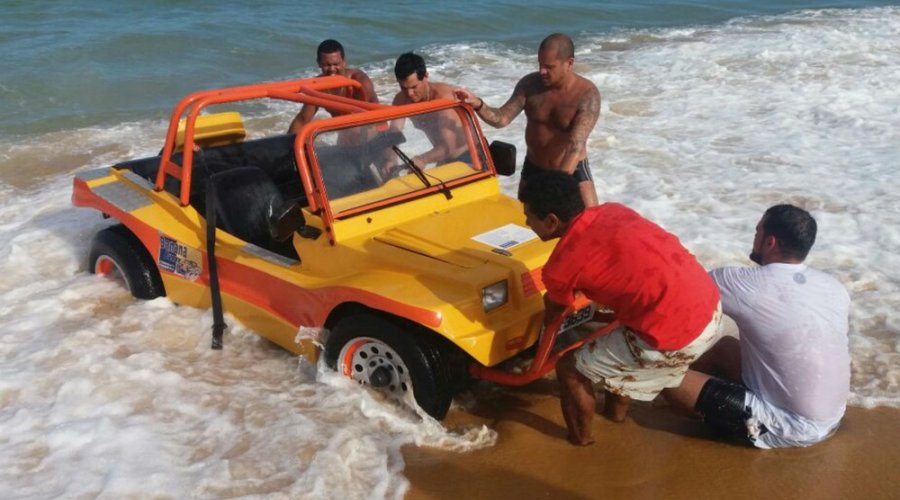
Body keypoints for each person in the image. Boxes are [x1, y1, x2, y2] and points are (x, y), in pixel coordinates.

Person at [520, 170, 721, 446]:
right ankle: (615, 418)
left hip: (675, 335)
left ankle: (581, 441)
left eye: (528, 215)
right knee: (620, 335)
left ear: (551, 221)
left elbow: (555, 311)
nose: (526, 221)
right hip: (710, 308)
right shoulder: (614, 211)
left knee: (569, 368)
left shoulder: (560, 266)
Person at [662, 205, 851, 448]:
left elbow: (678, 293)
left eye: (757, 231)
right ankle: (697, 390)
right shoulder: (833, 287)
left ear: (769, 242)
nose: (755, 238)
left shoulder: (741, 283)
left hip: (788, 428)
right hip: (833, 415)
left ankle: (679, 398)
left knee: (660, 375)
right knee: (727, 348)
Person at [455, 33, 601, 207]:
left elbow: (574, 147)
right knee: (526, 225)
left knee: (590, 221)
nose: (542, 71)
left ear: (569, 63)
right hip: (534, 168)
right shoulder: (530, 85)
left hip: (571, 170)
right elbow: (502, 119)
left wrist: (554, 187)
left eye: (549, 67)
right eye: (540, 64)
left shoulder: (586, 95)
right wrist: (478, 104)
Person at [387, 52, 469, 168]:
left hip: (469, 155)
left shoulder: (443, 99)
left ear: (426, 76)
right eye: (403, 88)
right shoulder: (401, 99)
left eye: (414, 87)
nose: (409, 94)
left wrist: (422, 159)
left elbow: (449, 146)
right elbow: (394, 134)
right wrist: (391, 160)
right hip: (444, 159)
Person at [288, 39, 379, 135]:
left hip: (371, 128)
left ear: (344, 62)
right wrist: (285, 146)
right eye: (327, 65)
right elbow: (302, 120)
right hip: (345, 132)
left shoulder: (360, 82)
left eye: (336, 64)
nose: (332, 69)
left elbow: (370, 118)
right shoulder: (318, 87)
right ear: (319, 63)